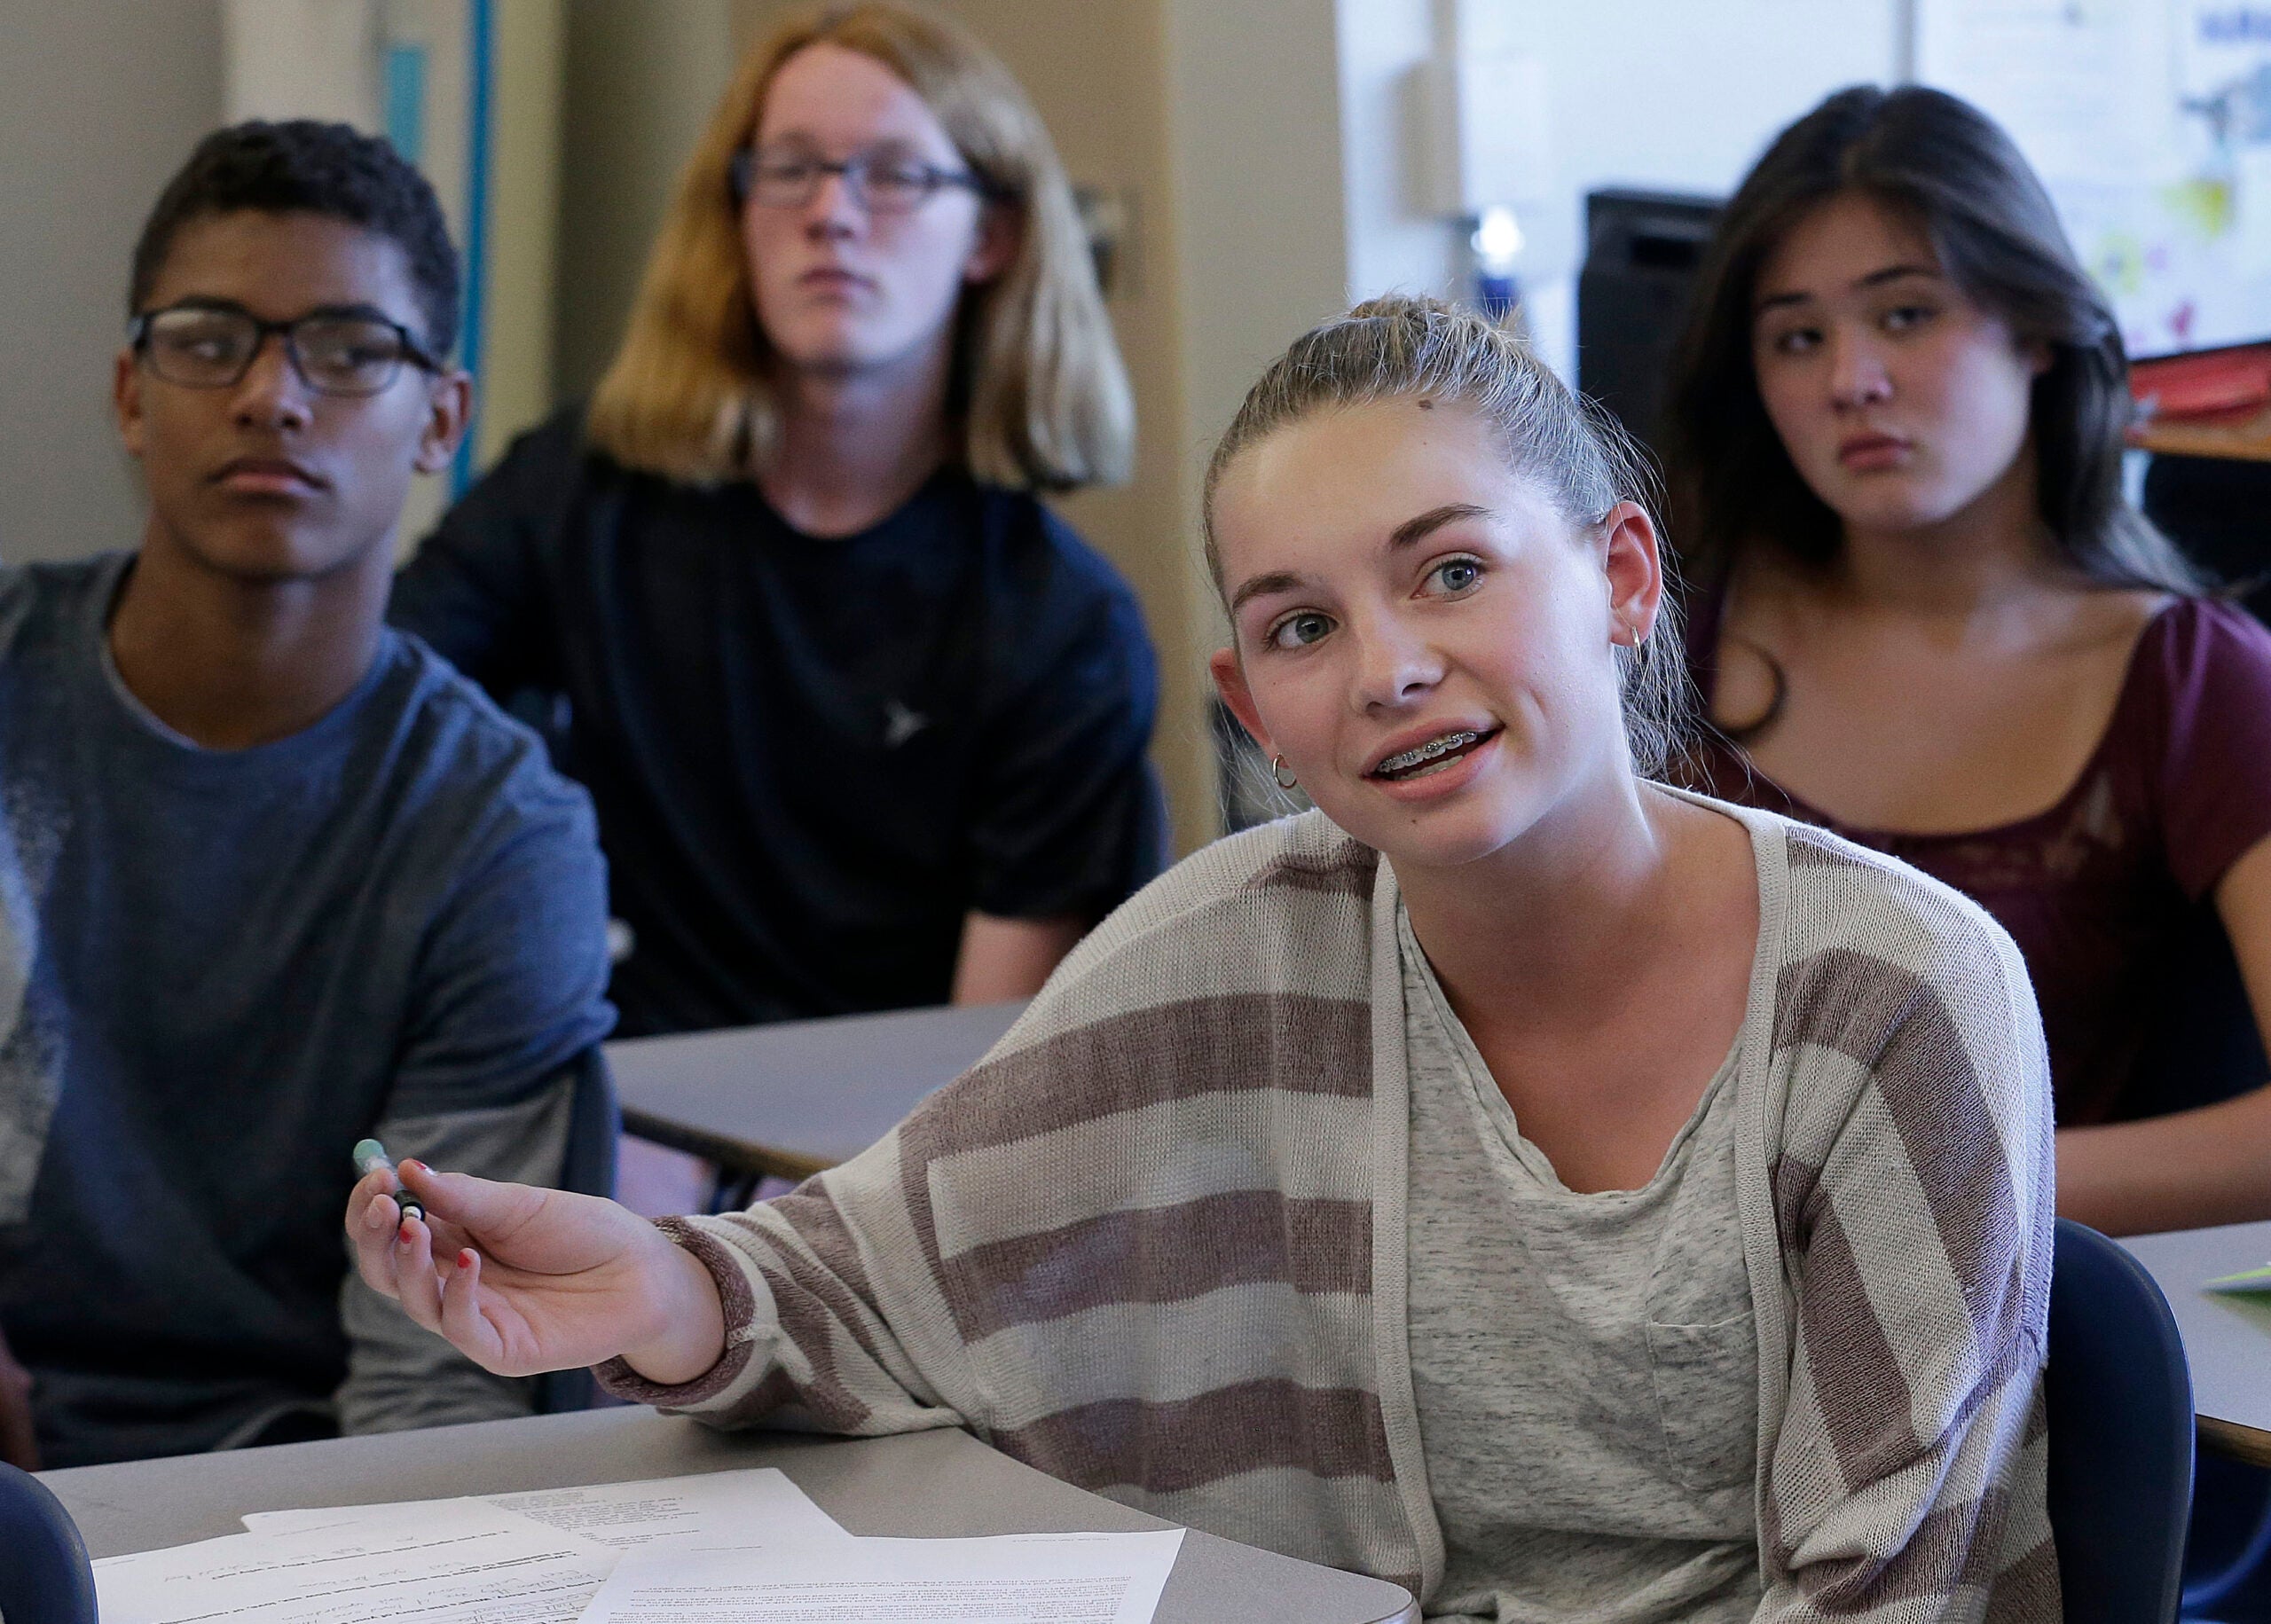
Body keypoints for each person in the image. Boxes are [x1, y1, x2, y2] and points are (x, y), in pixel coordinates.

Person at [353, 297, 2056, 1620]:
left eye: (1453, 570)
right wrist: (662, 1287)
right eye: (1303, 624)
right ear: (1253, 707)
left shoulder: (1892, 993)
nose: (1387, 669)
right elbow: (873, 1279)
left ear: (1619, 577)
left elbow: (1891, 1591)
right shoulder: (1234, 953)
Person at [0, 120, 615, 1471]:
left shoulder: (498, 840)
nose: (271, 395)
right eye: (210, 339)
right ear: (129, 393)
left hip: (283, 1486)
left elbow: (434, 1384)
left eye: (347, 351)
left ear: (441, 418)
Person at [389, 2, 1162, 1040]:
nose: (831, 212)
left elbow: (984, 1078)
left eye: (894, 174)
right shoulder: (581, 488)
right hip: (605, 1083)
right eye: (791, 168)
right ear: (738, 212)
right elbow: (370, 708)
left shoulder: (1062, 628)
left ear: (989, 235)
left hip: (879, 1123)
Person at [1666, 82, 2271, 1238]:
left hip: (2011, 1320)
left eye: (1905, 315)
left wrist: (1933, 1176)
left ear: (2035, 330)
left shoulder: (2196, 677)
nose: (1851, 379)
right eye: (1798, 337)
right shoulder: (1657, 640)